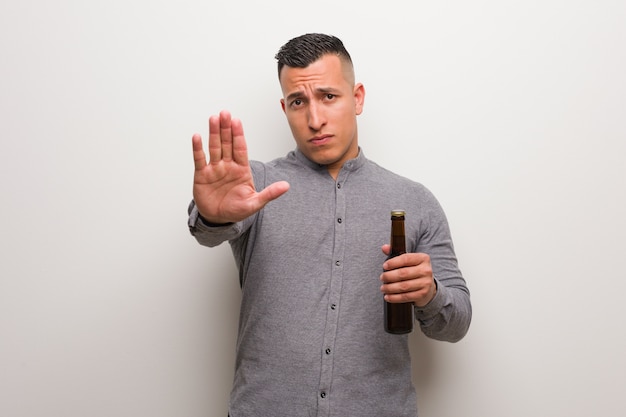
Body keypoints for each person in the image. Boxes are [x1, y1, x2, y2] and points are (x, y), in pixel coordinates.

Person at [188, 33, 471, 417]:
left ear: (357, 98)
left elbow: (455, 324)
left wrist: (429, 293)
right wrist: (213, 216)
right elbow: (211, 227)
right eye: (298, 102)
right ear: (284, 107)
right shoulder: (255, 185)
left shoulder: (415, 201)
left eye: (328, 96)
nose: (314, 119)